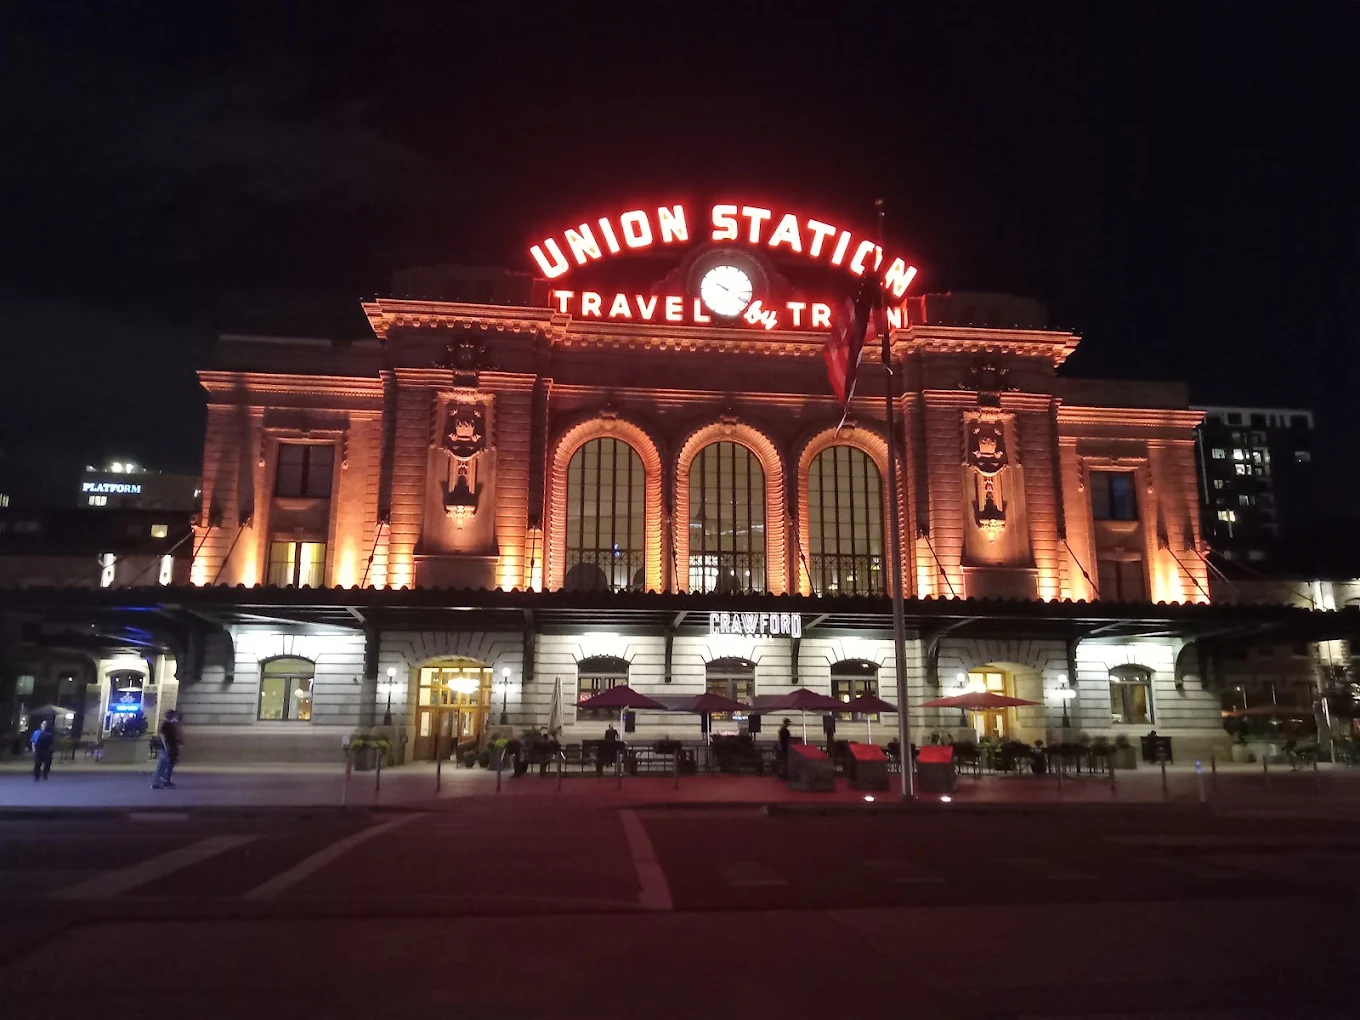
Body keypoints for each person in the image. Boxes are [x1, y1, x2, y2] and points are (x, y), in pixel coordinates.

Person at [152, 710, 182, 789]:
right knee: (163, 765)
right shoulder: (165, 725)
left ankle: (163, 781)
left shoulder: (170, 724)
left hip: (169, 747)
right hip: (167, 748)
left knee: (167, 765)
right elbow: (163, 737)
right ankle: (158, 781)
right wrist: (166, 747)